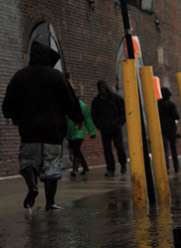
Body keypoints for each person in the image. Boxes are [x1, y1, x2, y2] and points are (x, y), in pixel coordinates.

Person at [2, 41, 84, 211]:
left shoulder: (20, 76)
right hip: (53, 132)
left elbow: (8, 102)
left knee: (27, 161)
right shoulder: (56, 76)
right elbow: (70, 100)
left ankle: (32, 186)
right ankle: (50, 202)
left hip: (29, 130)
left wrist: (13, 116)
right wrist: (78, 118)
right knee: (52, 165)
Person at [91, 80, 127, 177]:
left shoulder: (116, 98)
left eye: (103, 88)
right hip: (105, 129)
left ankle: (123, 164)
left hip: (116, 127)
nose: (102, 90)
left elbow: (123, 111)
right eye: (101, 88)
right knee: (107, 149)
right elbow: (94, 115)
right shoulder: (97, 101)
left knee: (119, 147)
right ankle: (110, 168)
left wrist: (120, 123)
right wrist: (99, 125)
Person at [66, 99, 96, 176]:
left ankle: (75, 169)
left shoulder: (82, 106)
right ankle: (85, 166)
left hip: (79, 130)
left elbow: (88, 119)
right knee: (76, 150)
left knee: (76, 149)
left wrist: (92, 132)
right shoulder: (66, 106)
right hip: (70, 132)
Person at [158, 87, 180, 173]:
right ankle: (176, 167)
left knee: (165, 149)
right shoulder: (171, 104)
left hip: (162, 127)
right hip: (171, 128)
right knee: (173, 148)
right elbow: (176, 116)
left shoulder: (158, 104)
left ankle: (166, 167)